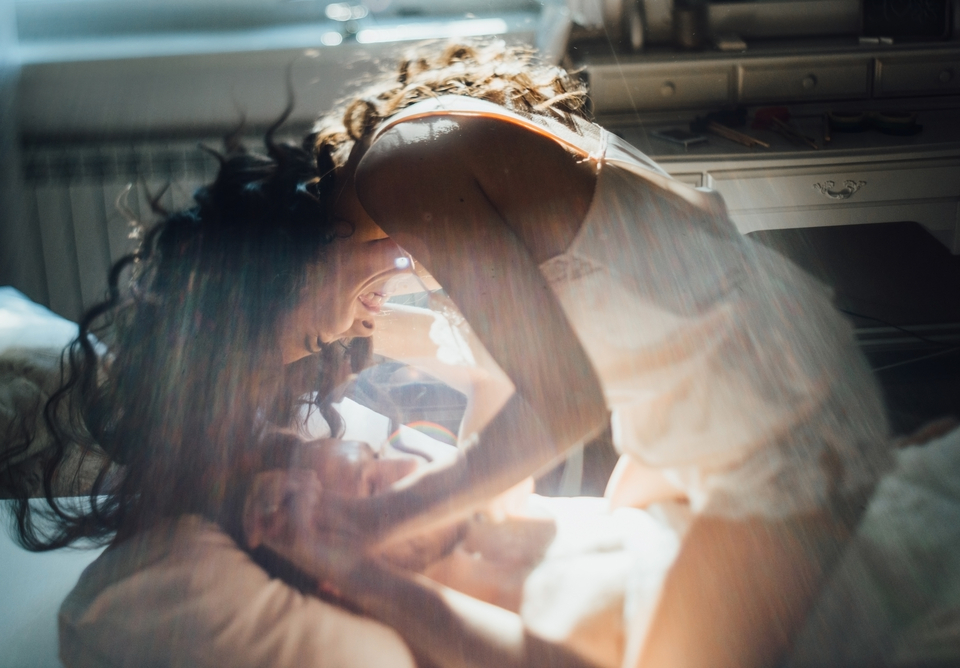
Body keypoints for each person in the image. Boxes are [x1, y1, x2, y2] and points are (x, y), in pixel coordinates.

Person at [244, 40, 894, 668]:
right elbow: (514, 344)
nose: (347, 338)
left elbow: (565, 402)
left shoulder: (402, 166)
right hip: (759, 387)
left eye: (311, 340)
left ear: (286, 272)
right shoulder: (420, 169)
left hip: (779, 418)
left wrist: (371, 526)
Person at [0, 128, 431, 667]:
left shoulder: (255, 377)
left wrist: (350, 301)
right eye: (312, 339)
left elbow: (402, 325)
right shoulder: (206, 429)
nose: (351, 325)